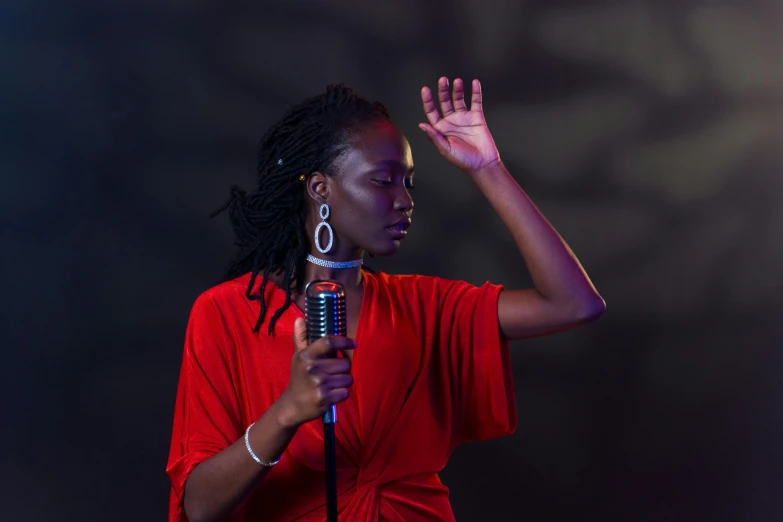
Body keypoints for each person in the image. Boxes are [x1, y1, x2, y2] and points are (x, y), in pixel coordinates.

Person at [166, 77, 605, 522]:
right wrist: (286, 414)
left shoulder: (425, 305)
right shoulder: (225, 312)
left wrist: (487, 168)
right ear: (320, 189)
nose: (404, 201)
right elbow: (200, 506)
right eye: (383, 181)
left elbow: (573, 304)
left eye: (408, 183)